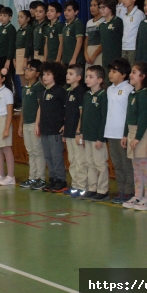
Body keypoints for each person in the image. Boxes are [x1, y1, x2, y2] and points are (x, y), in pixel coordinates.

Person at [121, 62, 147, 210]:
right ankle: (138, 195)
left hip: (141, 133)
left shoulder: (144, 94)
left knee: (144, 166)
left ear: (143, 76)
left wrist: (138, 137)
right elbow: (128, 116)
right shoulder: (133, 94)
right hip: (132, 131)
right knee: (135, 167)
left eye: (134, 72)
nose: (130, 75)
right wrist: (125, 134)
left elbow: (144, 117)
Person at [78, 65, 109, 201]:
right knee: (89, 163)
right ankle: (92, 187)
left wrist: (100, 138)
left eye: (91, 77)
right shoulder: (86, 95)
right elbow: (84, 115)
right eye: (86, 76)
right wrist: (82, 133)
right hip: (88, 135)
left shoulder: (103, 96)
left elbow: (104, 118)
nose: (87, 79)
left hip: (97, 137)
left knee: (100, 164)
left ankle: (103, 189)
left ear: (100, 80)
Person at [105, 58, 134, 203]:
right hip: (110, 132)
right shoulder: (110, 89)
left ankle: (129, 192)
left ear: (123, 74)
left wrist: (126, 133)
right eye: (110, 71)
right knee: (117, 165)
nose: (110, 74)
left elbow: (129, 113)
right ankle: (121, 190)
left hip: (122, 134)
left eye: (114, 71)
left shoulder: (129, 89)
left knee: (126, 164)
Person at [36, 61, 67, 192]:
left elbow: (67, 110)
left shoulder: (60, 92)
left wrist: (65, 124)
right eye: (44, 74)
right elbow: (40, 109)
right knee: (48, 156)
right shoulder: (43, 92)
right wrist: (37, 124)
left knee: (56, 156)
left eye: (48, 74)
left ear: (56, 75)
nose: (45, 77)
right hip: (45, 129)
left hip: (55, 130)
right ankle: (53, 178)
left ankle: (61, 180)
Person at [18, 59, 45, 189]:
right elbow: (23, 107)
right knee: (30, 151)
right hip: (26, 124)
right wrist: (20, 125)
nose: (27, 72)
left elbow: (41, 106)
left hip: (35, 123)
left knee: (37, 151)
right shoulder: (25, 88)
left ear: (37, 73)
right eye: (26, 69)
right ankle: (32, 177)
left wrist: (38, 124)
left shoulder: (39, 87)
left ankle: (41, 177)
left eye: (30, 69)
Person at [61, 64, 86, 196]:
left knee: (79, 160)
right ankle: (75, 185)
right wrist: (65, 127)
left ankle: (82, 186)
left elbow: (81, 113)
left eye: (71, 74)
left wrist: (78, 131)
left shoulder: (80, 92)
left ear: (78, 77)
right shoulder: (68, 92)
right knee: (72, 159)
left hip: (76, 133)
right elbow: (68, 112)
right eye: (67, 73)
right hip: (69, 131)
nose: (67, 76)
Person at [97, 0, 123, 80]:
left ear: (111, 7)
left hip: (117, 59)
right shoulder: (101, 25)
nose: (101, 10)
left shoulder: (118, 21)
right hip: (106, 60)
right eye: (100, 8)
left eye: (103, 7)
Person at [119, 0, 145, 65]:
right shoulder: (123, 14)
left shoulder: (139, 14)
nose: (123, 0)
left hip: (133, 47)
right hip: (124, 47)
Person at [60, 0, 85, 66]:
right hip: (66, 59)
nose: (66, 12)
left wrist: (74, 58)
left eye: (69, 10)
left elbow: (79, 41)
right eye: (65, 10)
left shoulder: (77, 23)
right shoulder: (65, 25)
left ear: (76, 12)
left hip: (76, 60)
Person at [0, 7, 16, 71]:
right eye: (1, 15)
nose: (2, 17)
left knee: (8, 77)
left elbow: (11, 45)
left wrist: (8, 60)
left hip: (7, 57)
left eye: (5, 16)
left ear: (10, 17)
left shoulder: (11, 28)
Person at [84, 0, 104, 68]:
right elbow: (86, 40)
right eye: (91, 5)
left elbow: (103, 41)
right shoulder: (89, 22)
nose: (92, 8)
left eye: (95, 5)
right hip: (89, 52)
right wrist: (86, 54)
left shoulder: (104, 21)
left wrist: (94, 55)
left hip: (99, 53)